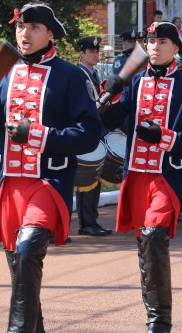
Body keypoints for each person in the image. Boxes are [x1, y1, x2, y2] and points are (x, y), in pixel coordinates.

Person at [0, 3, 102, 332]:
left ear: (50, 34)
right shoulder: (4, 71)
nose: (25, 33)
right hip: (10, 183)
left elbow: (89, 134)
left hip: (48, 181)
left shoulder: (71, 76)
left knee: (29, 247)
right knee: (21, 268)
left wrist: (38, 135)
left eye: (34, 27)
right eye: (21, 26)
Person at [102, 21, 182, 332]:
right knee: (144, 244)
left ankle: (159, 320)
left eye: (163, 41)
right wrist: (109, 94)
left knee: (154, 236)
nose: (155, 46)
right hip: (135, 175)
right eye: (151, 41)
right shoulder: (135, 83)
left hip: (168, 177)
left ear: (175, 48)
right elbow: (109, 119)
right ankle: (153, 313)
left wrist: (164, 137)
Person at [74, 36, 113, 237]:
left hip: (96, 130)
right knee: (86, 178)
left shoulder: (93, 73)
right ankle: (86, 222)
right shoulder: (79, 74)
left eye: (97, 52)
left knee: (93, 179)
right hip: (84, 131)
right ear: (81, 53)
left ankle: (90, 220)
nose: (95, 55)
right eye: (91, 51)